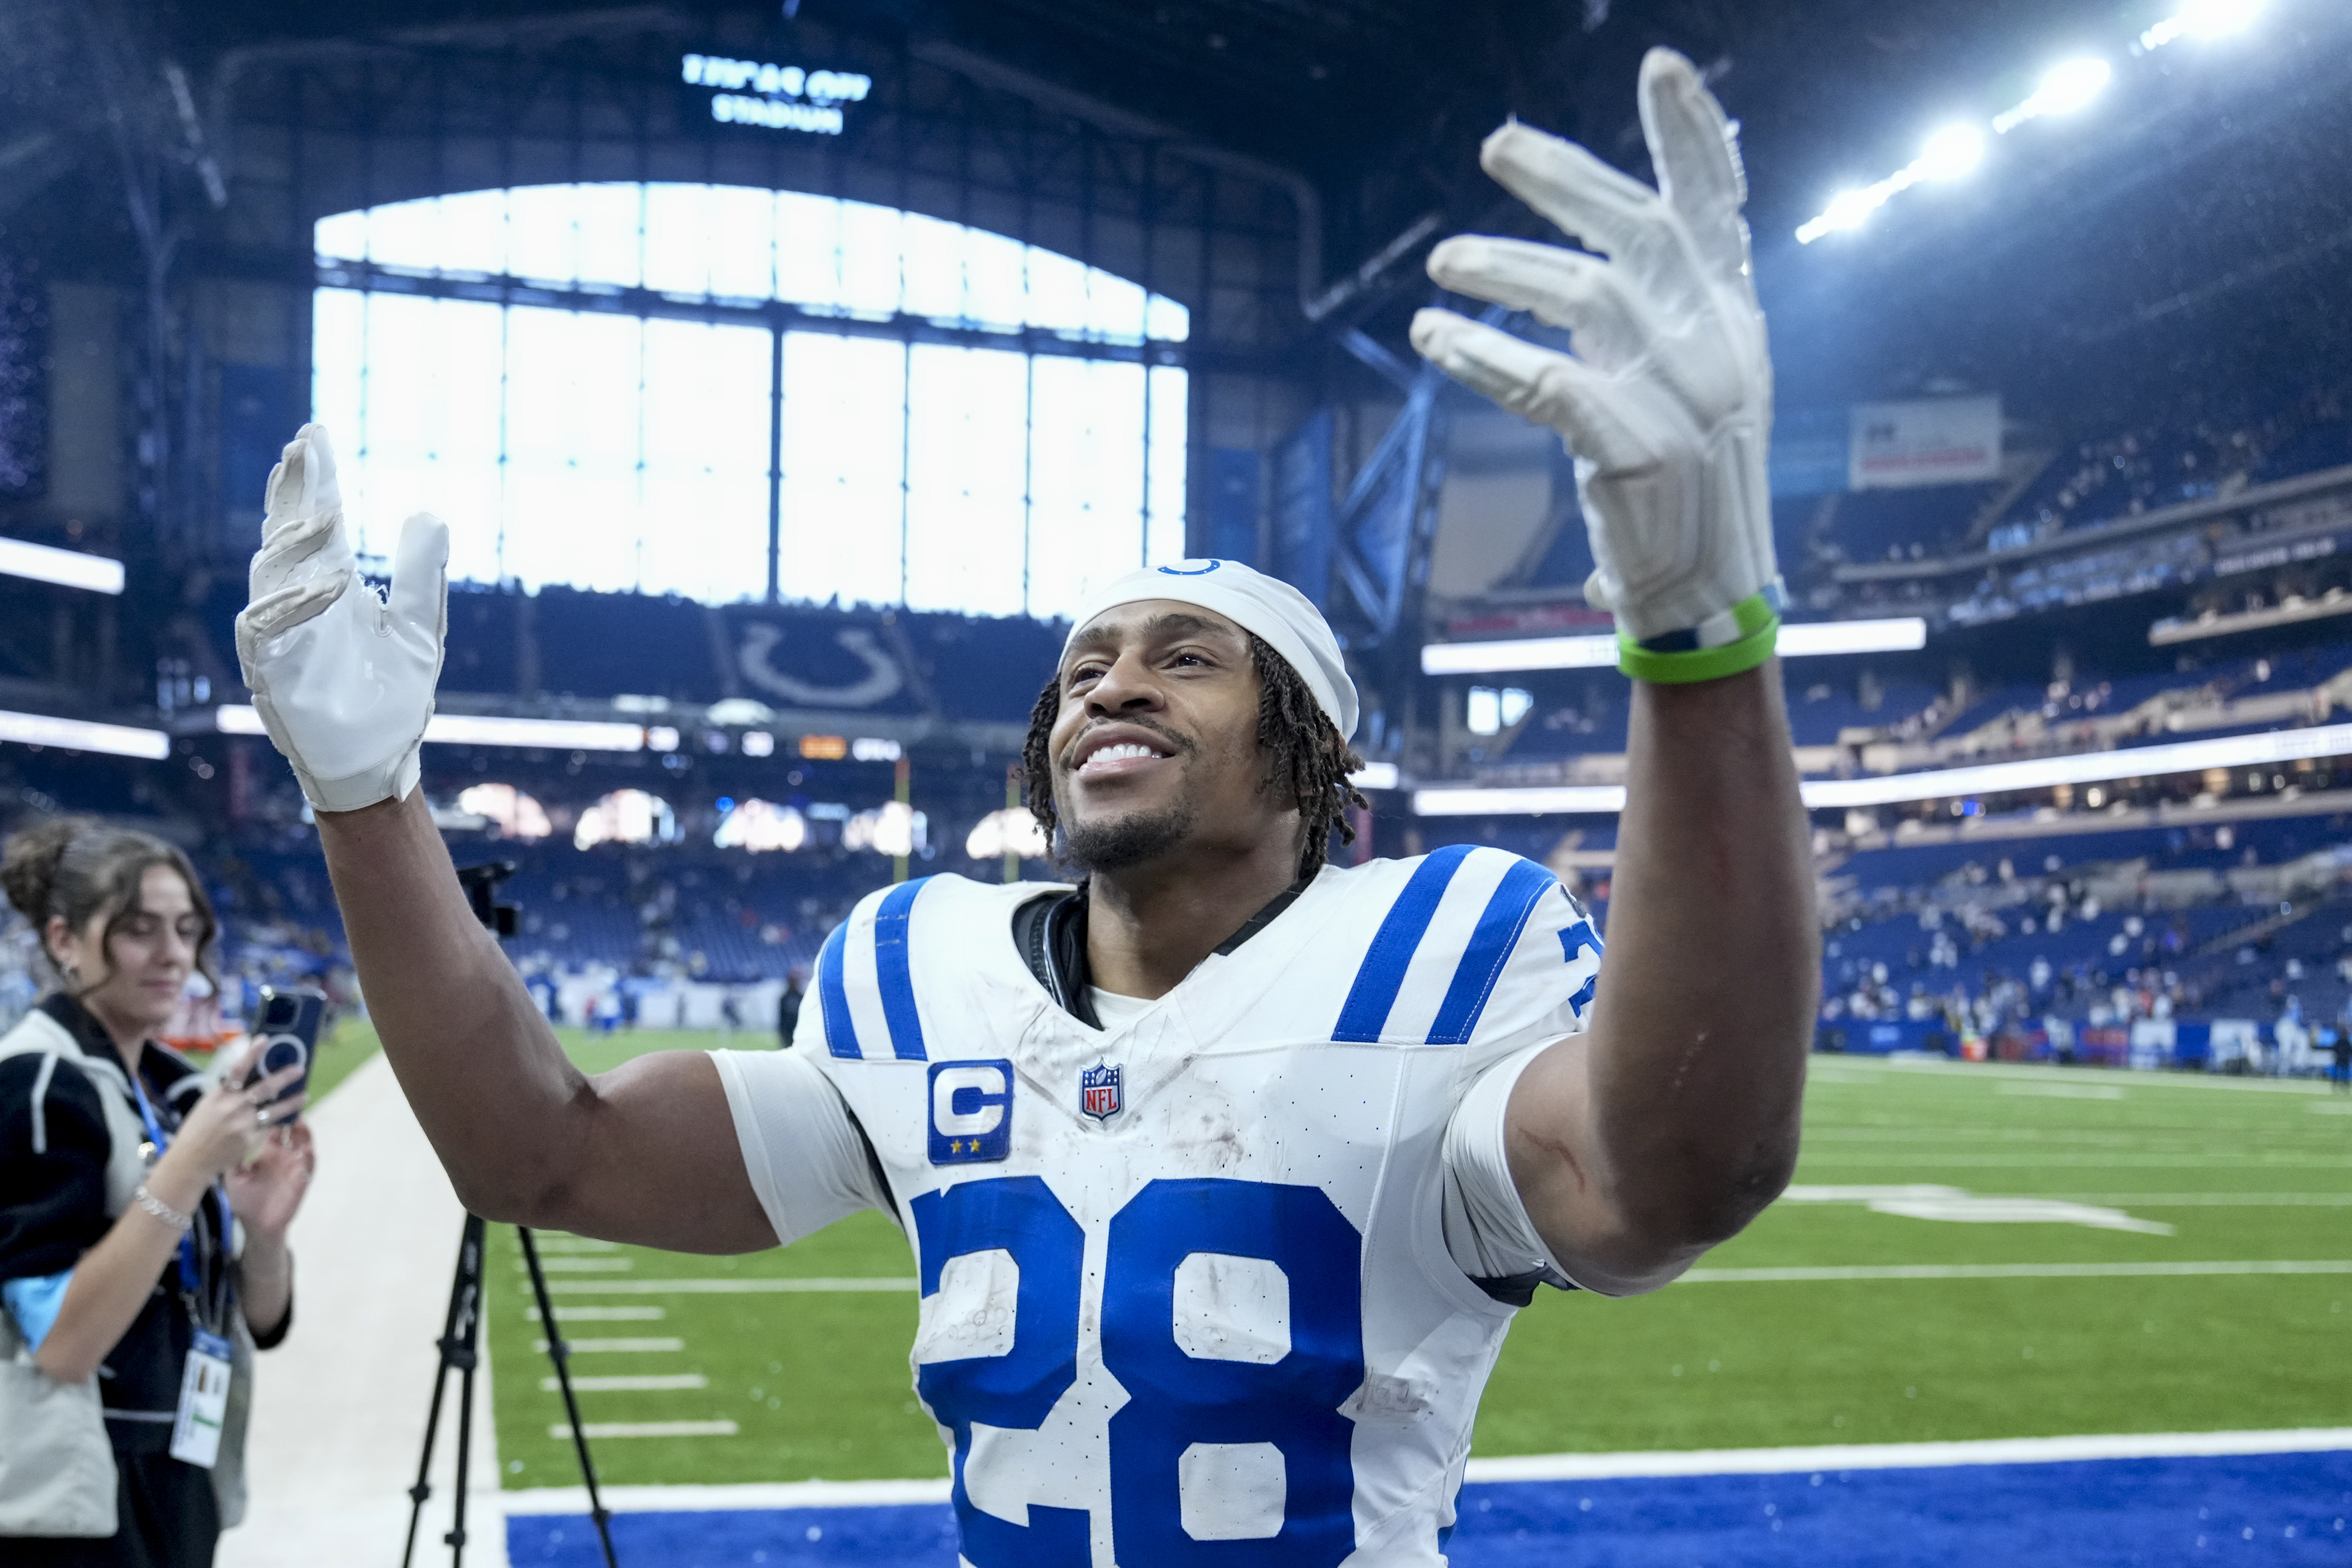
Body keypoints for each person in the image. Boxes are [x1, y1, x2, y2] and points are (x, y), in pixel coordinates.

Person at [231, 50, 1811, 1561]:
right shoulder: (916, 969)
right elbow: (543, 1159)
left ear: (1316, 758)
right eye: (1088, 663)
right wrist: (368, 796)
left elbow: (1668, 1181)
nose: (1114, 686)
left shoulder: (1444, 947)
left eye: (1188, 658)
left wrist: (1696, 638)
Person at [0, 818, 314, 1566]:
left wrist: (264, 1233)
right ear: (64, 940)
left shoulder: (174, 1091)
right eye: (140, 930)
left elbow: (261, 1324)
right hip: (72, 1503)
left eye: (186, 929)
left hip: (174, 1470)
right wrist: (186, 1168)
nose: (175, 956)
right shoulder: (37, 1085)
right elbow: (64, 1344)